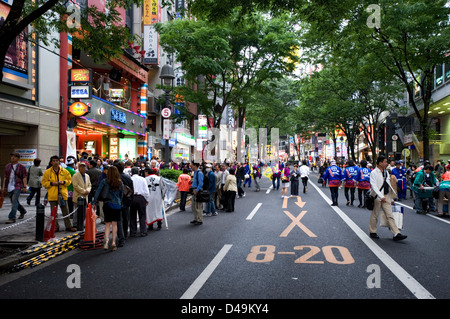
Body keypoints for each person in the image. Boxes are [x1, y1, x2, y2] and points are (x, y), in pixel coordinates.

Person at [369, 155, 407, 241]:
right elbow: (374, 186)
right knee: (375, 214)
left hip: (386, 196)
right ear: (380, 162)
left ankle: (396, 233)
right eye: (385, 162)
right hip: (377, 197)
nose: (387, 163)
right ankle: (373, 231)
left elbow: (388, 185)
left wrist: (391, 198)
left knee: (390, 215)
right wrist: (381, 196)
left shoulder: (386, 172)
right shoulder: (373, 173)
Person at [41, 155, 76, 232]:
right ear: (51, 162)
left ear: (59, 162)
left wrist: (63, 182)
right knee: (54, 212)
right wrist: (51, 184)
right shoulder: (47, 172)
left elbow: (69, 180)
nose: (55, 162)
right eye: (54, 161)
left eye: (57, 161)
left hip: (62, 194)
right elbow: (44, 182)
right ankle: (55, 226)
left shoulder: (64, 171)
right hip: (52, 194)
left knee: (65, 211)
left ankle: (68, 226)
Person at [92, 165, 123, 251]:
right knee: (114, 224)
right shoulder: (119, 182)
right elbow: (122, 194)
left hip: (107, 204)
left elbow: (98, 191)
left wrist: (94, 201)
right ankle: (113, 242)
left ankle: (106, 241)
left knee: (107, 224)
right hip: (117, 204)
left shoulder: (104, 181)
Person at [3, 152, 28, 223]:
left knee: (14, 201)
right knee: (14, 201)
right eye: (12, 156)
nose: (12, 158)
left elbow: (24, 177)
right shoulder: (7, 166)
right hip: (9, 186)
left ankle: (12, 217)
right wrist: (3, 186)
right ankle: (23, 211)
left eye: (15, 156)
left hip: (18, 185)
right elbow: (5, 177)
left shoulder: (22, 167)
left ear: (18, 158)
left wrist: (24, 186)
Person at [114, 161, 134, 247]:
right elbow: (132, 190)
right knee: (126, 218)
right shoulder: (128, 178)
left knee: (118, 220)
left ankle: (120, 237)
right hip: (126, 200)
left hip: (116, 201)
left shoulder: (114, 178)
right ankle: (125, 234)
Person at [130, 167, 150, 236]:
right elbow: (146, 191)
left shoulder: (130, 179)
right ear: (138, 172)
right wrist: (147, 199)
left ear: (131, 173)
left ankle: (133, 232)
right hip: (141, 198)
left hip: (132, 198)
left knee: (132, 215)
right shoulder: (142, 179)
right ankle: (143, 231)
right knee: (142, 214)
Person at [71, 162, 92, 228]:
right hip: (78, 195)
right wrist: (83, 191)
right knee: (77, 211)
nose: (82, 168)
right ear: (78, 168)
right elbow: (75, 185)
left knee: (84, 211)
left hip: (85, 196)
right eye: (81, 167)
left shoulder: (87, 175)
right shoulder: (75, 175)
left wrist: (88, 190)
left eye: (84, 167)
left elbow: (89, 185)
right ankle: (75, 223)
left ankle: (81, 223)